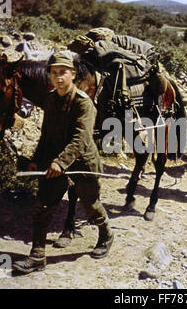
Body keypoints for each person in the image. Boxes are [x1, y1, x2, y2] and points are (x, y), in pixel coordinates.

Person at [13, 51, 114, 273]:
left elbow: (81, 138)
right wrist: (37, 159)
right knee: (43, 206)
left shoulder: (83, 103)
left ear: (73, 75)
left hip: (82, 162)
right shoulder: (50, 99)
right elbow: (46, 133)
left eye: (63, 73)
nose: (58, 77)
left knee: (91, 206)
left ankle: (106, 233)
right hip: (55, 162)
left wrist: (60, 162)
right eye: (54, 73)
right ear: (49, 76)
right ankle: (37, 256)